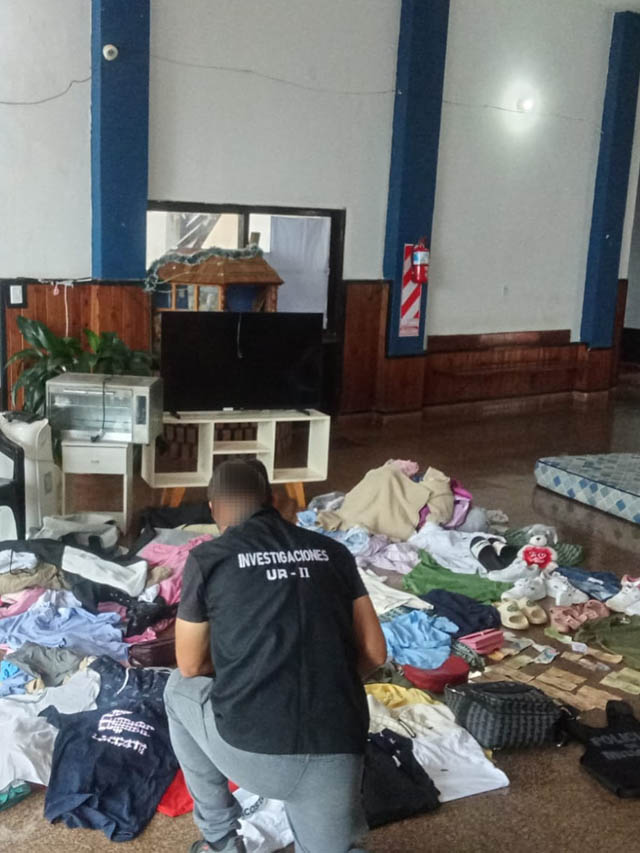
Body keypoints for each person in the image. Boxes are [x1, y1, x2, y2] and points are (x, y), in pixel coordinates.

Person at [164, 460, 387, 853]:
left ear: (214, 509)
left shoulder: (209, 558)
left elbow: (191, 664)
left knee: (176, 687)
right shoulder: (333, 552)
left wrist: (245, 668)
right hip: (338, 751)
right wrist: (325, 675)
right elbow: (375, 652)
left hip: (254, 751)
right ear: (271, 500)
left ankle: (220, 841)